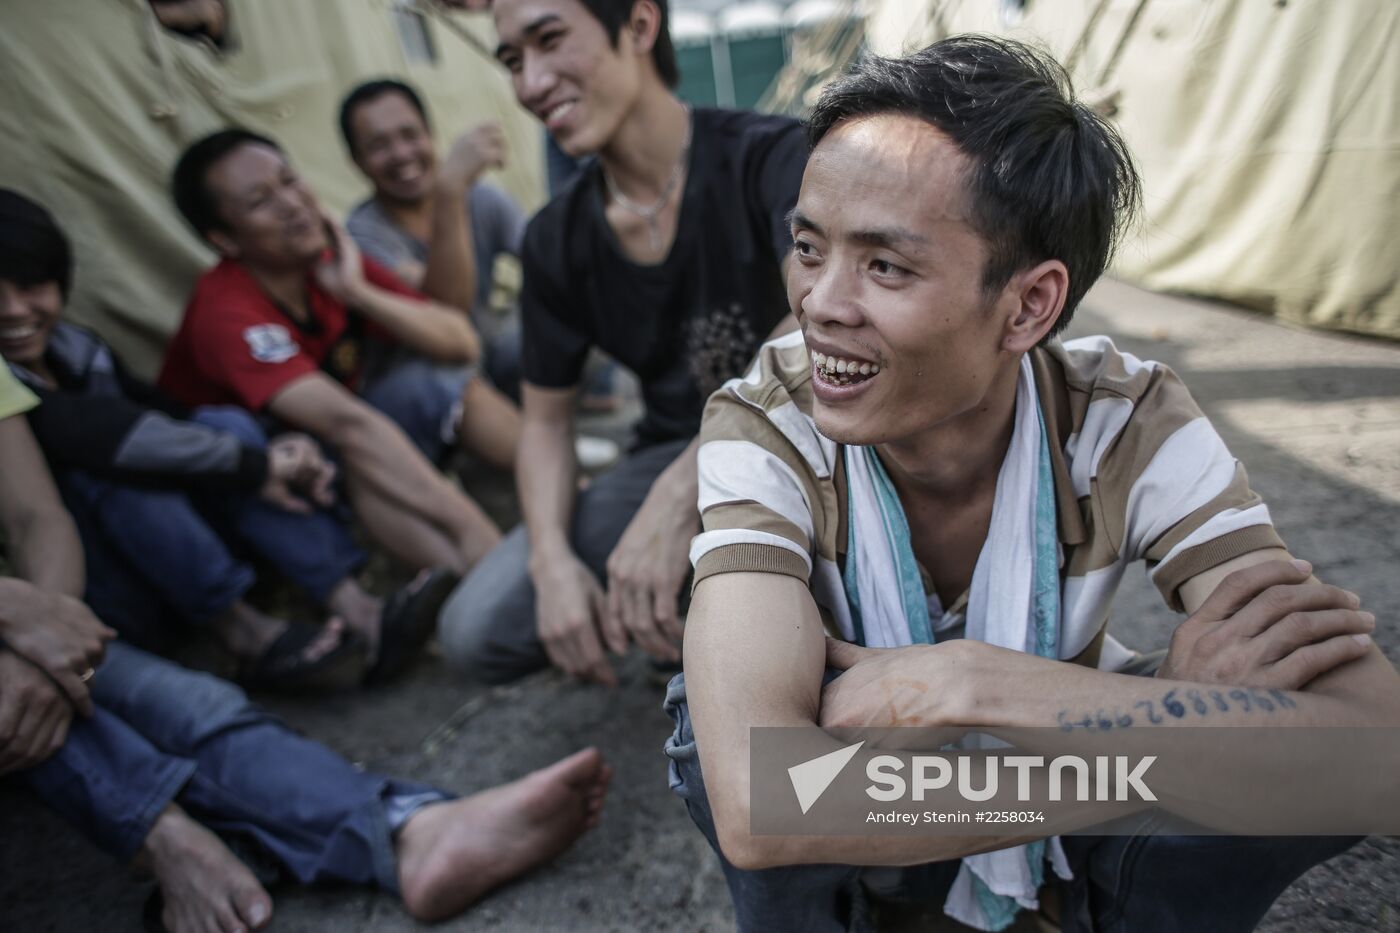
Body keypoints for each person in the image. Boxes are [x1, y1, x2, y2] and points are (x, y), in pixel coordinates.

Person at [666, 37, 1400, 932]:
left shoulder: (1124, 420)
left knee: (1284, 764)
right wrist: (1162, 723)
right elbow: (762, 796)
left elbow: (1379, 758)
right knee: (710, 731)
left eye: (884, 265)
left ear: (1029, 305)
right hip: (863, 858)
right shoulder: (765, 422)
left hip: (915, 792)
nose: (819, 301)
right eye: (809, 247)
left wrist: (973, 685)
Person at [0, 361, 612, 933]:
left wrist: (51, 637)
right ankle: (165, 837)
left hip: (30, 621)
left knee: (186, 701)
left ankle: (407, 826)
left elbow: (36, 518)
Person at [437, 0, 808, 687]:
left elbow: (821, 332)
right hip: (671, 445)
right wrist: (550, 561)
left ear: (639, 26)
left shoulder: (774, 156)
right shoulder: (555, 238)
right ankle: (702, 606)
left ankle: (722, 615)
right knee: (477, 628)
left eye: (549, 41)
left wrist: (683, 492)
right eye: (514, 61)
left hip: (814, 435)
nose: (530, 83)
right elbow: (546, 423)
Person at [0, 189, 453, 689]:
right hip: (112, 583)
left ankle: (357, 608)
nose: (14, 310)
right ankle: (246, 636)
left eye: (30, 286)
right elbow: (113, 440)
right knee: (122, 475)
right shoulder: (13, 388)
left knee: (224, 426)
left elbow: (165, 413)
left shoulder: (77, 348)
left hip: (185, 539)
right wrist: (256, 465)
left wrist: (264, 451)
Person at [158, 129, 514, 576]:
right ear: (225, 241)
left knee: (440, 380)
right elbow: (350, 426)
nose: (292, 204)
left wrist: (358, 292)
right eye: (260, 201)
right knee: (363, 454)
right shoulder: (226, 310)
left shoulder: (325, 258)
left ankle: (565, 498)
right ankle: (490, 579)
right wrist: (480, 537)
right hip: (262, 486)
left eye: (289, 180)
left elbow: (460, 340)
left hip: (333, 442)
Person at [340, 78, 528, 399]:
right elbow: (446, 310)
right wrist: (450, 190)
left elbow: (550, 260)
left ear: (430, 135)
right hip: (420, 375)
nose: (401, 154)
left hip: (483, 351)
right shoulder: (362, 235)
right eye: (378, 145)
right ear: (357, 162)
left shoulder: (483, 199)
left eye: (410, 135)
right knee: (449, 377)